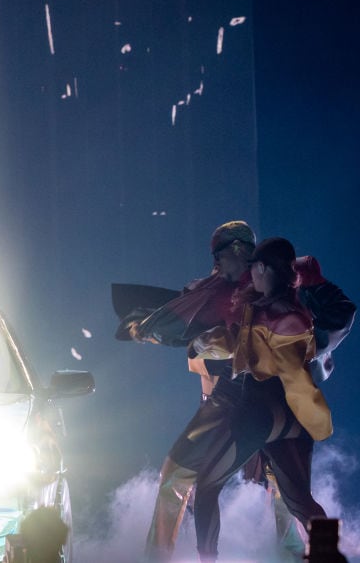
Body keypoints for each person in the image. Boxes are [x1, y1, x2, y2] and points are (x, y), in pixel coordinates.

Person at [140, 236, 333, 562]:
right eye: (235, 253)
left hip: (261, 411)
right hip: (258, 410)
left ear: (261, 267)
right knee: (295, 498)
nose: (243, 262)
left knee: (227, 486)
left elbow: (285, 363)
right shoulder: (232, 296)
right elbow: (238, 346)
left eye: (248, 255)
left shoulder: (275, 307)